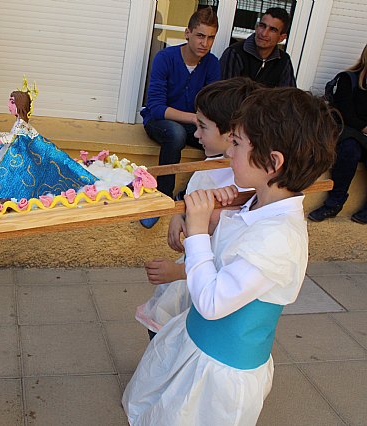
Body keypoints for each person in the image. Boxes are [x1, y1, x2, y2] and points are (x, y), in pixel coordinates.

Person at [122, 87, 338, 425]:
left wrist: (196, 232)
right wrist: (215, 215)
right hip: (197, 346)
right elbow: (232, 242)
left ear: (272, 162)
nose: (230, 152)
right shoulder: (257, 202)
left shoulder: (280, 237)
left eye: (236, 144)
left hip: (219, 373)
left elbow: (210, 301)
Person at [137, 77, 260, 340]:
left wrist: (177, 272)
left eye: (202, 127)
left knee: (175, 332)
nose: (195, 135)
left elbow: (224, 256)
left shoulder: (244, 183)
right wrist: (179, 215)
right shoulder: (212, 165)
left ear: (231, 134)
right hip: (191, 265)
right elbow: (192, 198)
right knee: (161, 327)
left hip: (202, 279)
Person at [140, 7, 220, 228]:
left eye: (210, 37)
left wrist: (203, 122)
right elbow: (156, 107)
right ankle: (161, 198)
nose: (205, 43)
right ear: (187, 33)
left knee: (221, 142)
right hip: (161, 123)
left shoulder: (212, 64)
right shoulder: (165, 58)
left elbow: (213, 105)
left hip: (193, 124)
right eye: (200, 35)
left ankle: (188, 194)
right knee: (175, 134)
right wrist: (195, 118)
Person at [308, 44, 367, 224]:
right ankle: (334, 203)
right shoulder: (348, 79)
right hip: (352, 136)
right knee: (350, 149)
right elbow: (345, 114)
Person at [220, 7, 296, 88]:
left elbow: (289, 97)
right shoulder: (234, 53)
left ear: (281, 38)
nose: (264, 33)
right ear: (256, 27)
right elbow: (226, 95)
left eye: (272, 30)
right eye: (262, 26)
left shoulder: (284, 60)